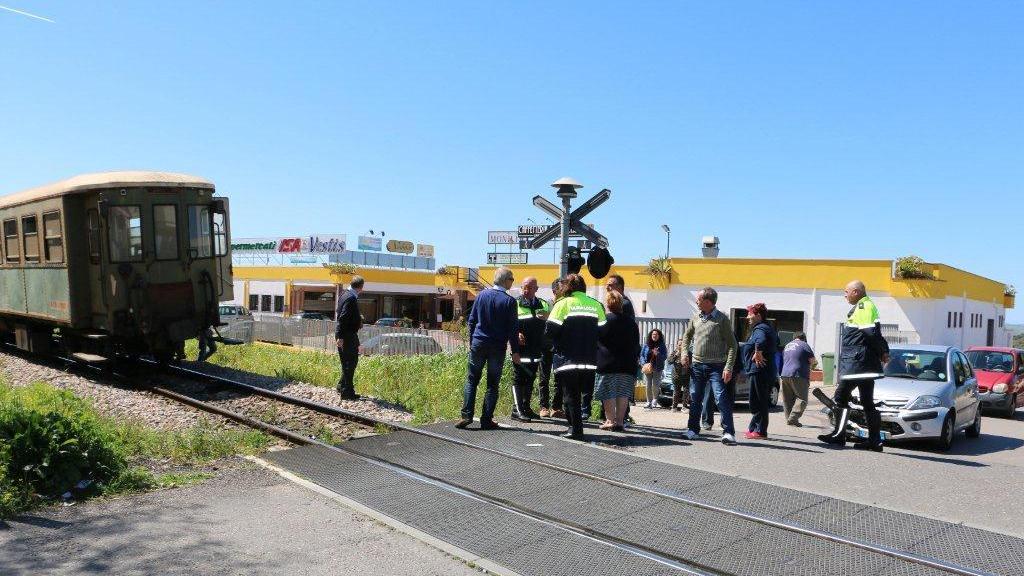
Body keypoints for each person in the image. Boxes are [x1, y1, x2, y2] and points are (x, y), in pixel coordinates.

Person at [819, 280, 890, 451]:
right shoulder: (867, 305)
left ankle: (839, 436)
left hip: (857, 363)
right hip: (864, 363)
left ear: (856, 292)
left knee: (840, 397)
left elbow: (870, 332)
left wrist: (882, 351)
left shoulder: (863, 306)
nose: (845, 295)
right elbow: (875, 334)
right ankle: (874, 441)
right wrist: (883, 351)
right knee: (867, 402)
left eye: (846, 292)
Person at [456, 267, 521, 430]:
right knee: (492, 384)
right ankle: (486, 419)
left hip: (478, 344)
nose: (512, 283)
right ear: (506, 280)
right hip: (497, 347)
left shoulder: (481, 296)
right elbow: (513, 330)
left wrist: (472, 343)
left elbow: (471, 321)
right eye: (511, 279)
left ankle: (466, 415)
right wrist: (515, 352)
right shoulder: (509, 301)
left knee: (472, 380)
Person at [545, 274, 606, 440]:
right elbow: (603, 332)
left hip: (567, 359)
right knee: (578, 395)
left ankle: (575, 430)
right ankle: (575, 428)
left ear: (567, 287)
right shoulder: (596, 305)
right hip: (589, 360)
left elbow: (550, 331)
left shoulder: (562, 304)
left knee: (569, 396)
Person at [681, 287, 739, 445]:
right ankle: (693, 430)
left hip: (717, 367)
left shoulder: (722, 319)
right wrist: (684, 353)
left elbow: (733, 345)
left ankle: (729, 433)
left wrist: (728, 367)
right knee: (695, 399)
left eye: (698, 299)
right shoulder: (695, 317)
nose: (696, 301)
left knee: (720, 398)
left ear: (708, 302)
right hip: (697, 366)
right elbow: (686, 337)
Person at [595, 291, 640, 431]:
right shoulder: (631, 323)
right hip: (627, 364)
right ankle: (620, 422)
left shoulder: (603, 321)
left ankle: (610, 420)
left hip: (607, 363)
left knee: (608, 391)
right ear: (621, 304)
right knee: (623, 393)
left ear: (608, 304)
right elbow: (636, 344)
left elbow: (596, 340)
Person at [511, 276, 549, 422]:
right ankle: (517, 409)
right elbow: (507, 324)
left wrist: (548, 317)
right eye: (524, 287)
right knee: (518, 379)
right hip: (520, 350)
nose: (526, 290)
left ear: (536, 289)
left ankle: (526, 407)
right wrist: (515, 333)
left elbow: (551, 322)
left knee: (530, 378)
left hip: (536, 349)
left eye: (530, 287)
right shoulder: (515, 304)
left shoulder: (544, 304)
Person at [742, 303, 779, 439]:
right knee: (756, 400)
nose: (748, 317)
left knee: (759, 400)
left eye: (750, 314)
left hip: (760, 370)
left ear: (758, 315)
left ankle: (761, 431)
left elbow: (761, 340)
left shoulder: (760, 328)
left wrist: (758, 351)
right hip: (762, 371)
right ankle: (754, 428)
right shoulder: (766, 327)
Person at [335, 276, 365, 400]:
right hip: (347, 335)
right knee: (350, 363)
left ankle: (341, 385)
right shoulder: (351, 298)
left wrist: (358, 319)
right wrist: (340, 336)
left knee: (347, 362)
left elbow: (339, 312)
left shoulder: (344, 295)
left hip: (346, 334)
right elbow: (342, 317)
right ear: (361, 287)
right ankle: (347, 392)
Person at [780, 332, 816, 426]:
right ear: (803, 338)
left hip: (785, 374)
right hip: (798, 374)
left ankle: (789, 419)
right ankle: (793, 418)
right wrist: (812, 367)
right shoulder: (804, 344)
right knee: (802, 399)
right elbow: (813, 361)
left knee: (788, 399)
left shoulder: (787, 345)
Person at [640, 329, 668, 409]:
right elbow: (641, 355)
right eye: (653, 334)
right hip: (648, 367)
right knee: (648, 385)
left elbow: (664, 357)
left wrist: (657, 354)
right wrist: (643, 363)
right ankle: (648, 401)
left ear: (659, 336)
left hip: (657, 367)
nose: (654, 336)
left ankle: (655, 400)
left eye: (656, 334)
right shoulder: (646, 344)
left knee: (655, 385)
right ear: (651, 335)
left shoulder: (662, 345)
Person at [667, 337, 690, 411]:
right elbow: (669, 361)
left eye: (682, 345)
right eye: (679, 345)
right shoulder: (674, 352)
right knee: (676, 391)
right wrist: (677, 354)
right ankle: (674, 407)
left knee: (686, 390)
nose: (681, 347)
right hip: (676, 375)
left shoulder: (688, 353)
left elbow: (693, 363)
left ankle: (684, 406)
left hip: (686, 375)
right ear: (677, 345)